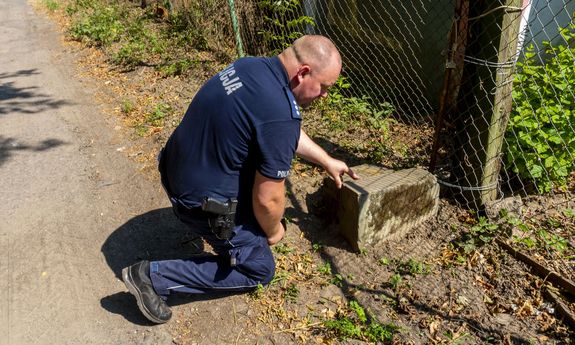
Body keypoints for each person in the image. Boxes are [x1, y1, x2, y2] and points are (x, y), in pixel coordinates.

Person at [122, 35, 359, 324]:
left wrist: (327, 160)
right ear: (303, 73)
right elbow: (267, 198)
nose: (324, 95)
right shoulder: (280, 113)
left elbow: (275, 128)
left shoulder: (251, 67)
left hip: (172, 169)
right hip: (196, 201)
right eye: (324, 87)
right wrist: (273, 232)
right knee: (258, 268)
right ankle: (152, 277)